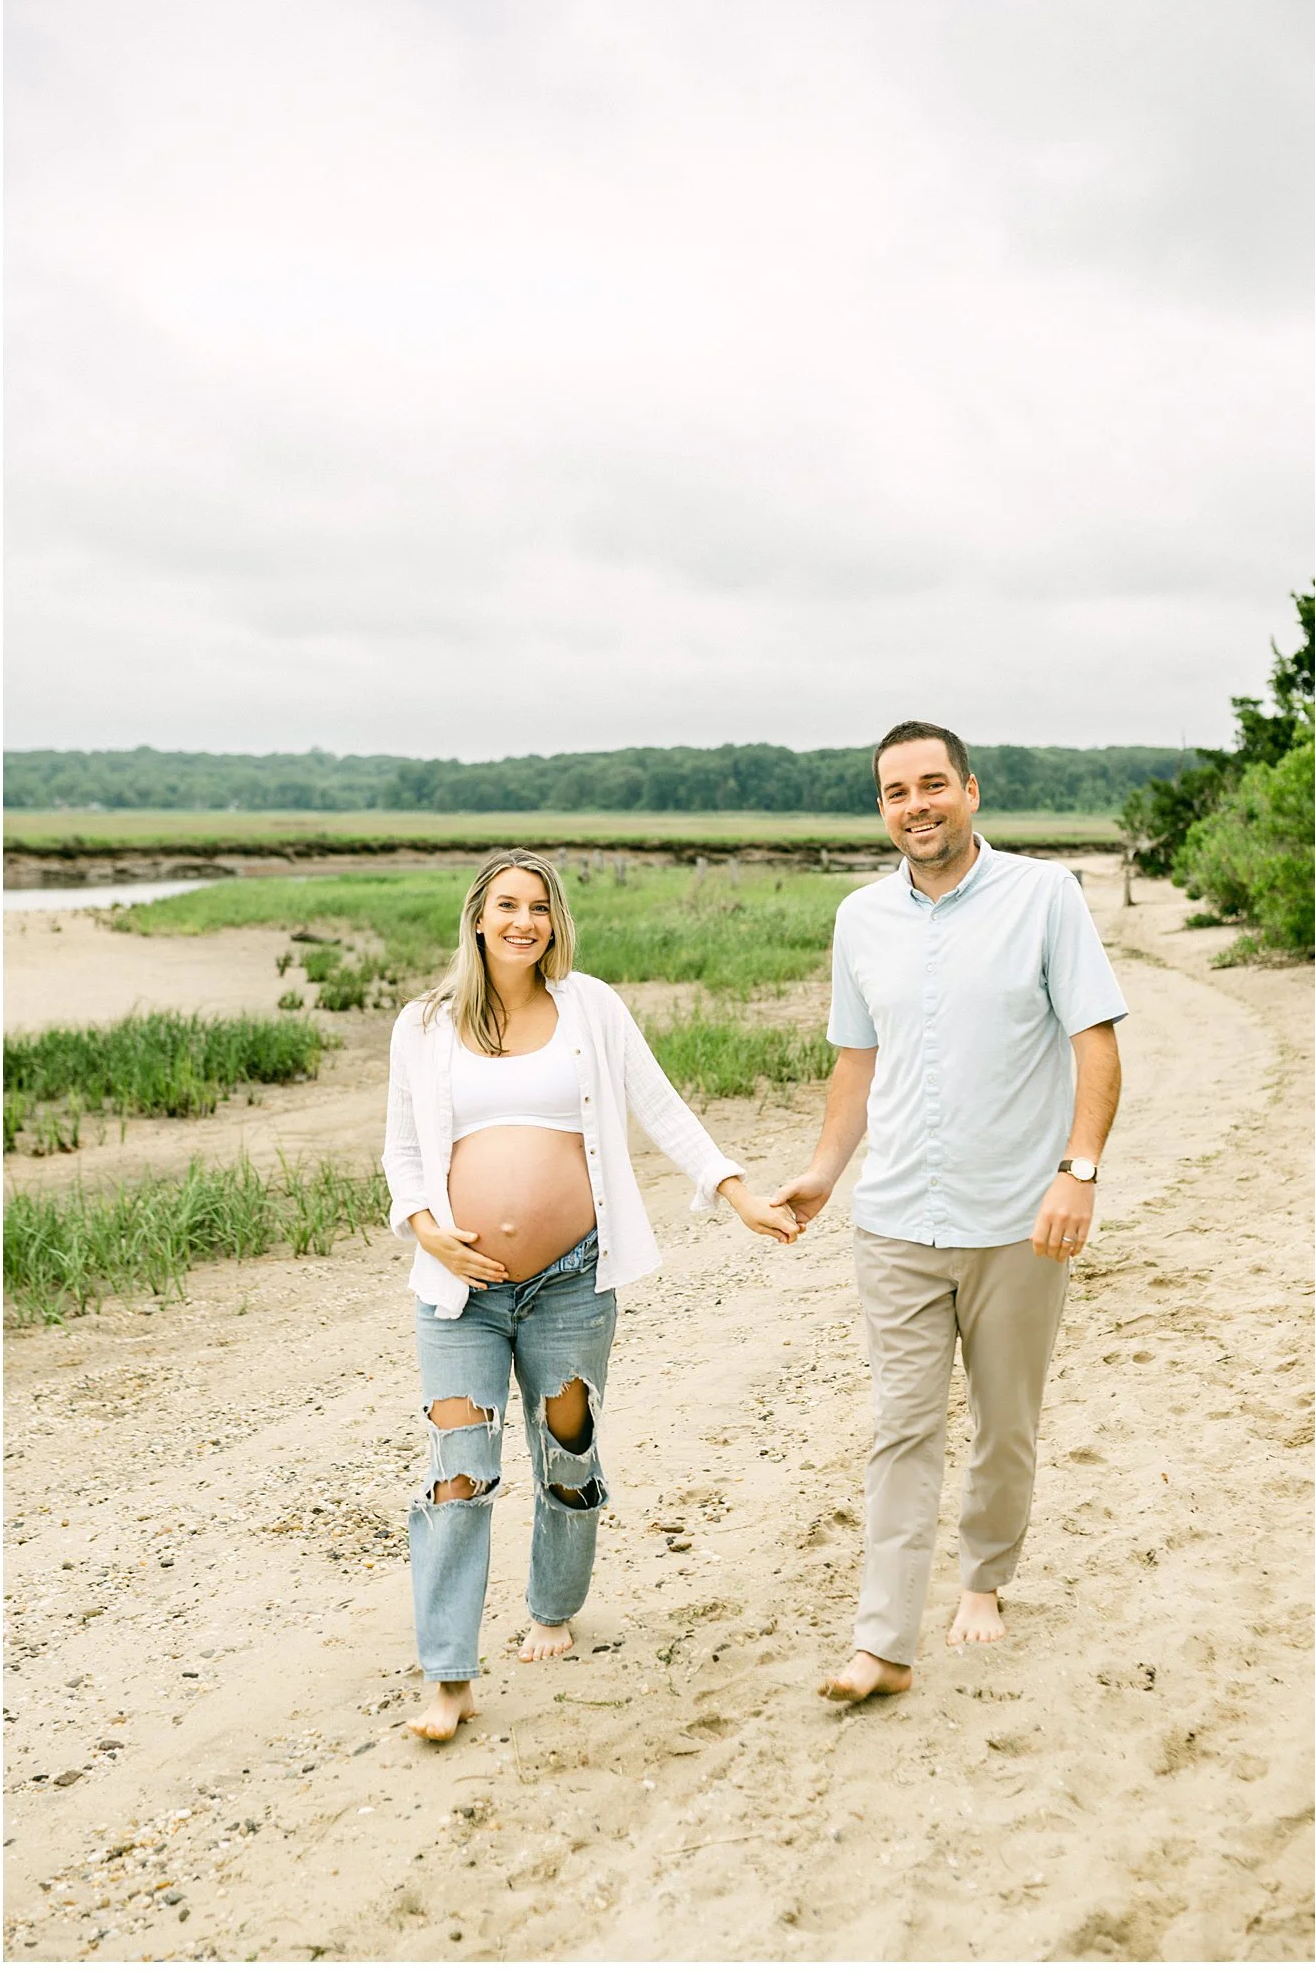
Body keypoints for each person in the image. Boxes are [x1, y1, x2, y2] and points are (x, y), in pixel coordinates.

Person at [382, 847, 799, 1742]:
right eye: (506, 905)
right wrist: (425, 1228)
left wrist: (736, 1194)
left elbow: (662, 1107)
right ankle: (448, 1678)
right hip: (461, 1290)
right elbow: (401, 1152)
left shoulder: (591, 1008)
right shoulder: (422, 1024)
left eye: (539, 906)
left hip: (572, 1280)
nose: (523, 920)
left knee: (565, 1452)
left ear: (554, 920)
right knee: (460, 1471)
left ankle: (552, 1608)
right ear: (477, 917)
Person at [772, 722, 1127, 1703]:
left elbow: (1094, 1044)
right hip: (894, 1221)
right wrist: (821, 1171)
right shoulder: (860, 918)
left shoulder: (1043, 898)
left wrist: (1078, 1170)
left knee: (1003, 1420)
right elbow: (856, 1060)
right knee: (900, 1425)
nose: (915, 804)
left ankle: (983, 1575)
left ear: (969, 791)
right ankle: (882, 1642)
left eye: (933, 784)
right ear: (880, 807)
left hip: (1019, 1219)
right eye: (895, 791)